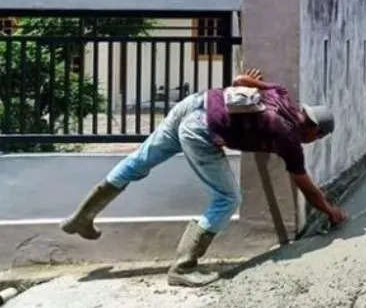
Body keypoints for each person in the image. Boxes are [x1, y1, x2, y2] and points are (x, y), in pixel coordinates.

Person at [60, 68, 348, 287]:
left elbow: (239, 79)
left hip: (195, 103)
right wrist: (331, 211)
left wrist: (247, 83)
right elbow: (307, 188)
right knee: (228, 197)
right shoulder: (289, 139)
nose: (314, 141)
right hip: (200, 129)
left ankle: (82, 216)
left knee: (138, 162)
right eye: (318, 137)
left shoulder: (281, 95)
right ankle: (183, 268)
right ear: (313, 129)